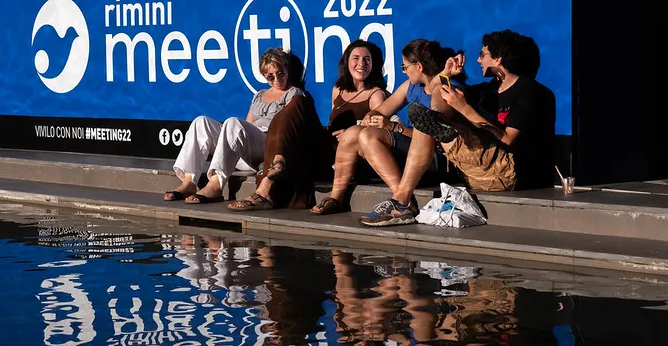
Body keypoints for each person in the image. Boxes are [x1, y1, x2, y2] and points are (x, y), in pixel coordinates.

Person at [358, 30, 556, 227]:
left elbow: (508, 140)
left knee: (427, 122)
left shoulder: (532, 92)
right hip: (480, 169)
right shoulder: (487, 91)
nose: (478, 60)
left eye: (482, 55)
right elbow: (439, 92)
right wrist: (446, 74)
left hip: (511, 173)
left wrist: (464, 108)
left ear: (498, 60)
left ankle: (402, 202)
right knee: (428, 118)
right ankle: (403, 197)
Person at [227, 39, 387, 211]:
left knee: (298, 101)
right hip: (325, 145)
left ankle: (267, 185)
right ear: (347, 62)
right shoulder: (338, 90)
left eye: (367, 59)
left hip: (342, 155)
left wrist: (351, 132)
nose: (361, 64)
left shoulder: (376, 94)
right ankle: (277, 164)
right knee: (290, 113)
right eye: (356, 58)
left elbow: (377, 131)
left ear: (374, 64)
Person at [311, 39, 459, 215]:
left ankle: (402, 200)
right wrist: (372, 118)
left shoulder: (443, 92)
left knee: (368, 136)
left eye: (405, 67)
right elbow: (379, 112)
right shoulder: (410, 87)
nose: (403, 71)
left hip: (436, 160)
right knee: (353, 133)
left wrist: (394, 127)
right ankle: (337, 197)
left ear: (419, 66)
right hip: (412, 155)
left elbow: (436, 140)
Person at [163, 47, 304, 204]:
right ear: (264, 76)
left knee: (233, 123)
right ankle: (189, 181)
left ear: (287, 71)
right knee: (201, 122)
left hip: (268, 145)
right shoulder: (259, 95)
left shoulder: (294, 93)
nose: (276, 79)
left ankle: (215, 185)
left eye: (280, 74)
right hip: (246, 149)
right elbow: (248, 124)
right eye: (271, 76)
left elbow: (289, 127)